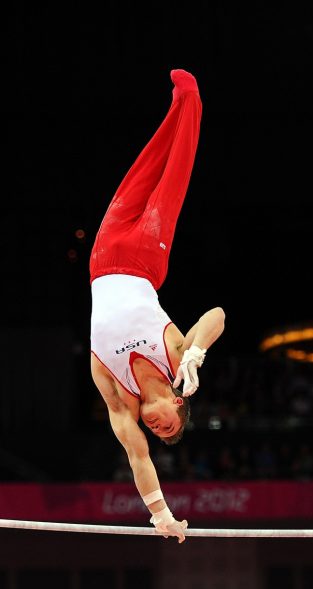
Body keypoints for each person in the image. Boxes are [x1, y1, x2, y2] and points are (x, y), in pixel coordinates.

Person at [89, 69, 225, 543]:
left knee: (142, 167)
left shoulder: (120, 400)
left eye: (158, 429)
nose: (157, 424)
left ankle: (174, 106)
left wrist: (159, 515)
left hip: (102, 258)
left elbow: (138, 458)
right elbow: (218, 316)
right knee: (173, 175)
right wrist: (194, 353)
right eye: (168, 422)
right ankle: (190, 102)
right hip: (147, 257)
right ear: (177, 401)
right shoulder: (176, 360)